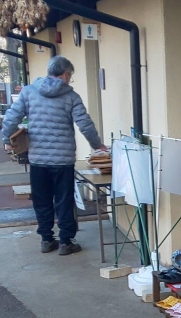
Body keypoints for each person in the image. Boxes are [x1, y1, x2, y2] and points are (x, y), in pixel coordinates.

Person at [1, 55, 107, 255]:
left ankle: (46, 239)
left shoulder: (29, 92)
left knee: (42, 200)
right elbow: (85, 124)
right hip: (63, 160)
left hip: (38, 159)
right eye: (70, 76)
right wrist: (97, 145)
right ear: (65, 74)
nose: (70, 79)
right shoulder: (71, 96)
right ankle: (66, 242)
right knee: (64, 200)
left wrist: (6, 138)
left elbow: (12, 117)